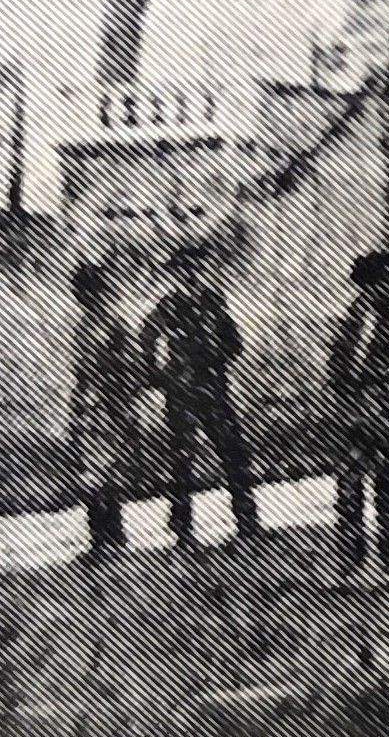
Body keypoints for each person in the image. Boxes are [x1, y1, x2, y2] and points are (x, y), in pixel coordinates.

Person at [140, 239, 267, 547]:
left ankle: (247, 523)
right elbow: (147, 337)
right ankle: (183, 531)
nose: (192, 274)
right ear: (176, 274)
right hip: (182, 392)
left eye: (198, 268)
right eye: (185, 269)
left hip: (213, 387)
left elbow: (234, 342)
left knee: (233, 453)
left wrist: (216, 355)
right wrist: (159, 375)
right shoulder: (169, 306)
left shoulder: (214, 301)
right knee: (182, 458)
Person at [325, 253, 389, 576]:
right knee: (349, 481)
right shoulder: (357, 313)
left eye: (379, 284)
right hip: (356, 407)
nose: (372, 291)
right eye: (368, 285)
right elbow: (340, 357)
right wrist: (341, 385)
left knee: (384, 481)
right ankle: (351, 555)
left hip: (387, 406)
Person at [66, 263, 145, 560]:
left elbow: (132, 368)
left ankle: (113, 535)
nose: (86, 299)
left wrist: (121, 400)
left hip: (111, 407)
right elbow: (81, 373)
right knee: (91, 473)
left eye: (90, 293)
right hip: (91, 407)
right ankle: (100, 538)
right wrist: (78, 407)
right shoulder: (85, 327)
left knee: (107, 472)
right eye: (82, 294)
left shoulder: (115, 326)